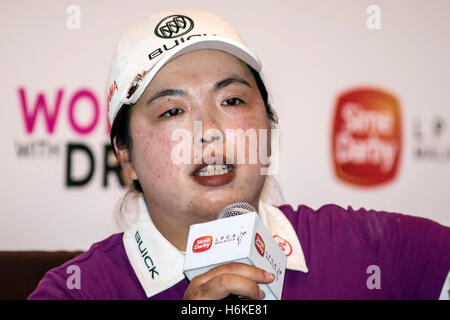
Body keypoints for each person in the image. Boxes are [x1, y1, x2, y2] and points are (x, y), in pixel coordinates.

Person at [28, 8, 450, 300]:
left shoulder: (375, 250)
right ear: (125, 155)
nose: (209, 131)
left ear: (268, 125)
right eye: (173, 110)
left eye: (231, 101)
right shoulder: (78, 290)